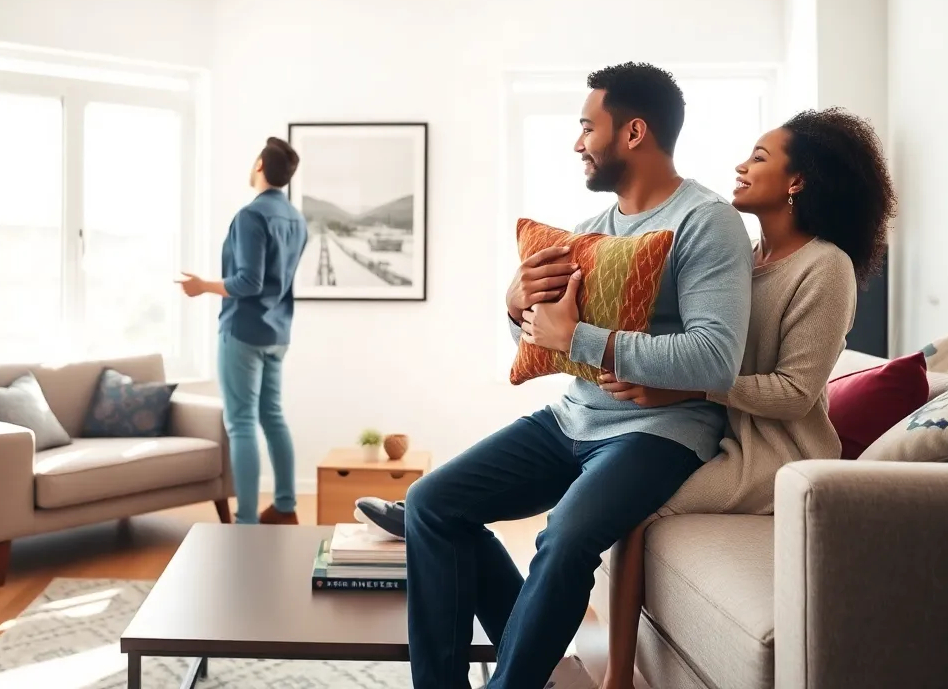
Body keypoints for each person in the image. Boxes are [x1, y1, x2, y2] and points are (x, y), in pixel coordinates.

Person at [393, 62, 755, 689]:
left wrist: (578, 337)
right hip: (572, 417)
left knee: (564, 536)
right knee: (432, 504)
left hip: (660, 431)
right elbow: (544, 340)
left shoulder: (706, 220)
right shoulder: (589, 235)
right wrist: (515, 309)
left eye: (588, 127)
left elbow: (715, 357)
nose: (577, 143)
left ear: (634, 132)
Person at [596, 107, 897, 689]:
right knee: (606, 471)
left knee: (629, 505)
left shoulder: (825, 267)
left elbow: (794, 394)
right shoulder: (742, 259)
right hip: (714, 433)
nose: (740, 166)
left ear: (797, 180)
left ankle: (617, 678)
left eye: (759, 157)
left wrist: (689, 385)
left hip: (775, 454)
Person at [178, 136, 309, 526]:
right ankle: (285, 507)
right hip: (278, 332)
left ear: (259, 166)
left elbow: (249, 282)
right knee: (273, 417)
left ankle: (247, 522)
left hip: (243, 331)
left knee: (241, 424)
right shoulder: (296, 219)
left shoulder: (251, 215)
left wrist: (203, 286)